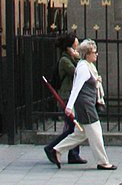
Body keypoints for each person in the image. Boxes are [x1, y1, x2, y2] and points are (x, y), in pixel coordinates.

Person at [50, 40, 116, 170]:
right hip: (85, 105)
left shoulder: (87, 65)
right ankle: (102, 162)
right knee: (95, 131)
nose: (96, 54)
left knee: (81, 133)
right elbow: (76, 88)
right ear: (87, 54)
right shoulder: (83, 68)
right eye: (94, 52)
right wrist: (69, 107)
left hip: (85, 103)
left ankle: (57, 150)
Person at [44, 32, 86, 165]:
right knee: (72, 127)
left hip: (73, 96)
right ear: (69, 47)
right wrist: (79, 58)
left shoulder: (70, 59)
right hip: (66, 97)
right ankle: (51, 148)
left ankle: (73, 154)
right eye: (76, 45)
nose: (77, 47)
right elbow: (77, 73)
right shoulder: (65, 60)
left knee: (73, 127)